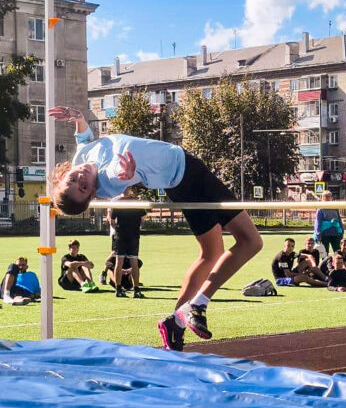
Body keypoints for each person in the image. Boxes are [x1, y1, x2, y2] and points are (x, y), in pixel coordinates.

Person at [49, 105, 263, 351]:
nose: (80, 178)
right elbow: (122, 175)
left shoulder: (81, 159)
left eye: (73, 179)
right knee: (234, 246)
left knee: (230, 247)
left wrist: (78, 118)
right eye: (82, 187)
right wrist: (128, 173)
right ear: (92, 194)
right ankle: (197, 305)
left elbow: (85, 138)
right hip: (186, 175)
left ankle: (177, 323)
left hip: (184, 172)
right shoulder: (108, 180)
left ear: (64, 174)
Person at [109, 192, 147, 298]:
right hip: (131, 237)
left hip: (123, 236)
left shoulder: (119, 203)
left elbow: (111, 220)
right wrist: (138, 228)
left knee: (121, 261)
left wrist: (117, 230)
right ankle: (133, 290)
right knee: (130, 262)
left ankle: (121, 289)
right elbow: (143, 219)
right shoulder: (135, 203)